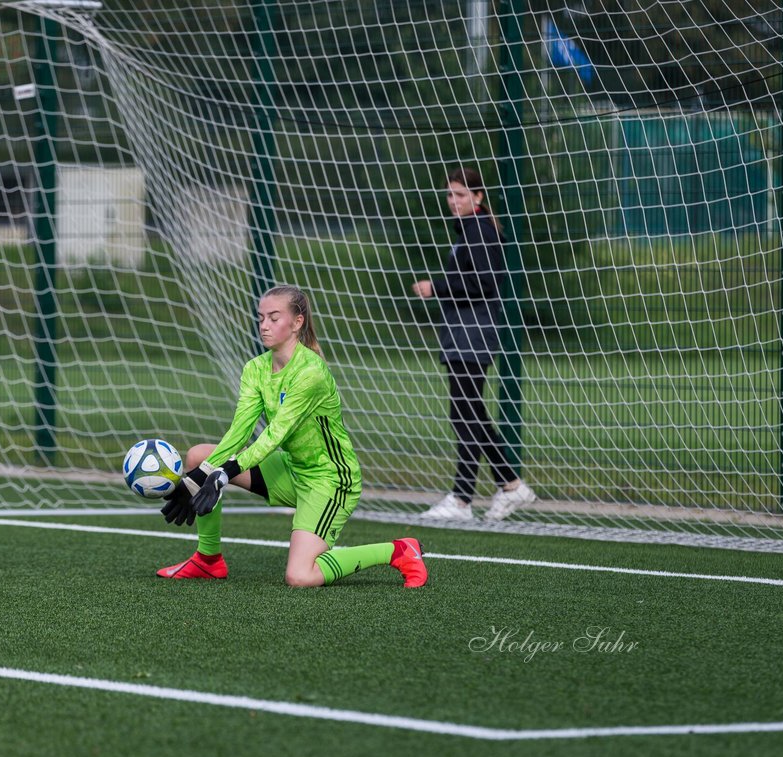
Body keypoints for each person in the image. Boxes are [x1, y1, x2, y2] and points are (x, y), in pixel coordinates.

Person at [156, 285, 427, 588]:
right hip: (290, 469)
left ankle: (398, 550)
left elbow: (274, 434)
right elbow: (239, 430)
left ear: (297, 323)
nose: (264, 325)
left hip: (329, 480)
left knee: (300, 576)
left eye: (274, 317)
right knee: (198, 456)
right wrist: (198, 477)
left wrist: (222, 475)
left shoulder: (311, 371)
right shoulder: (255, 369)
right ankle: (208, 561)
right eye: (261, 318)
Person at [411, 167, 536, 522]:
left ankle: (473, 496)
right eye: (450, 195)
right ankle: (498, 489)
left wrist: (437, 287)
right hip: (463, 331)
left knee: (467, 412)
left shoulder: (481, 230)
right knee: (466, 412)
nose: (453, 201)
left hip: (474, 331)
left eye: (461, 195)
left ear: (478, 197)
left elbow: (483, 283)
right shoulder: (469, 230)